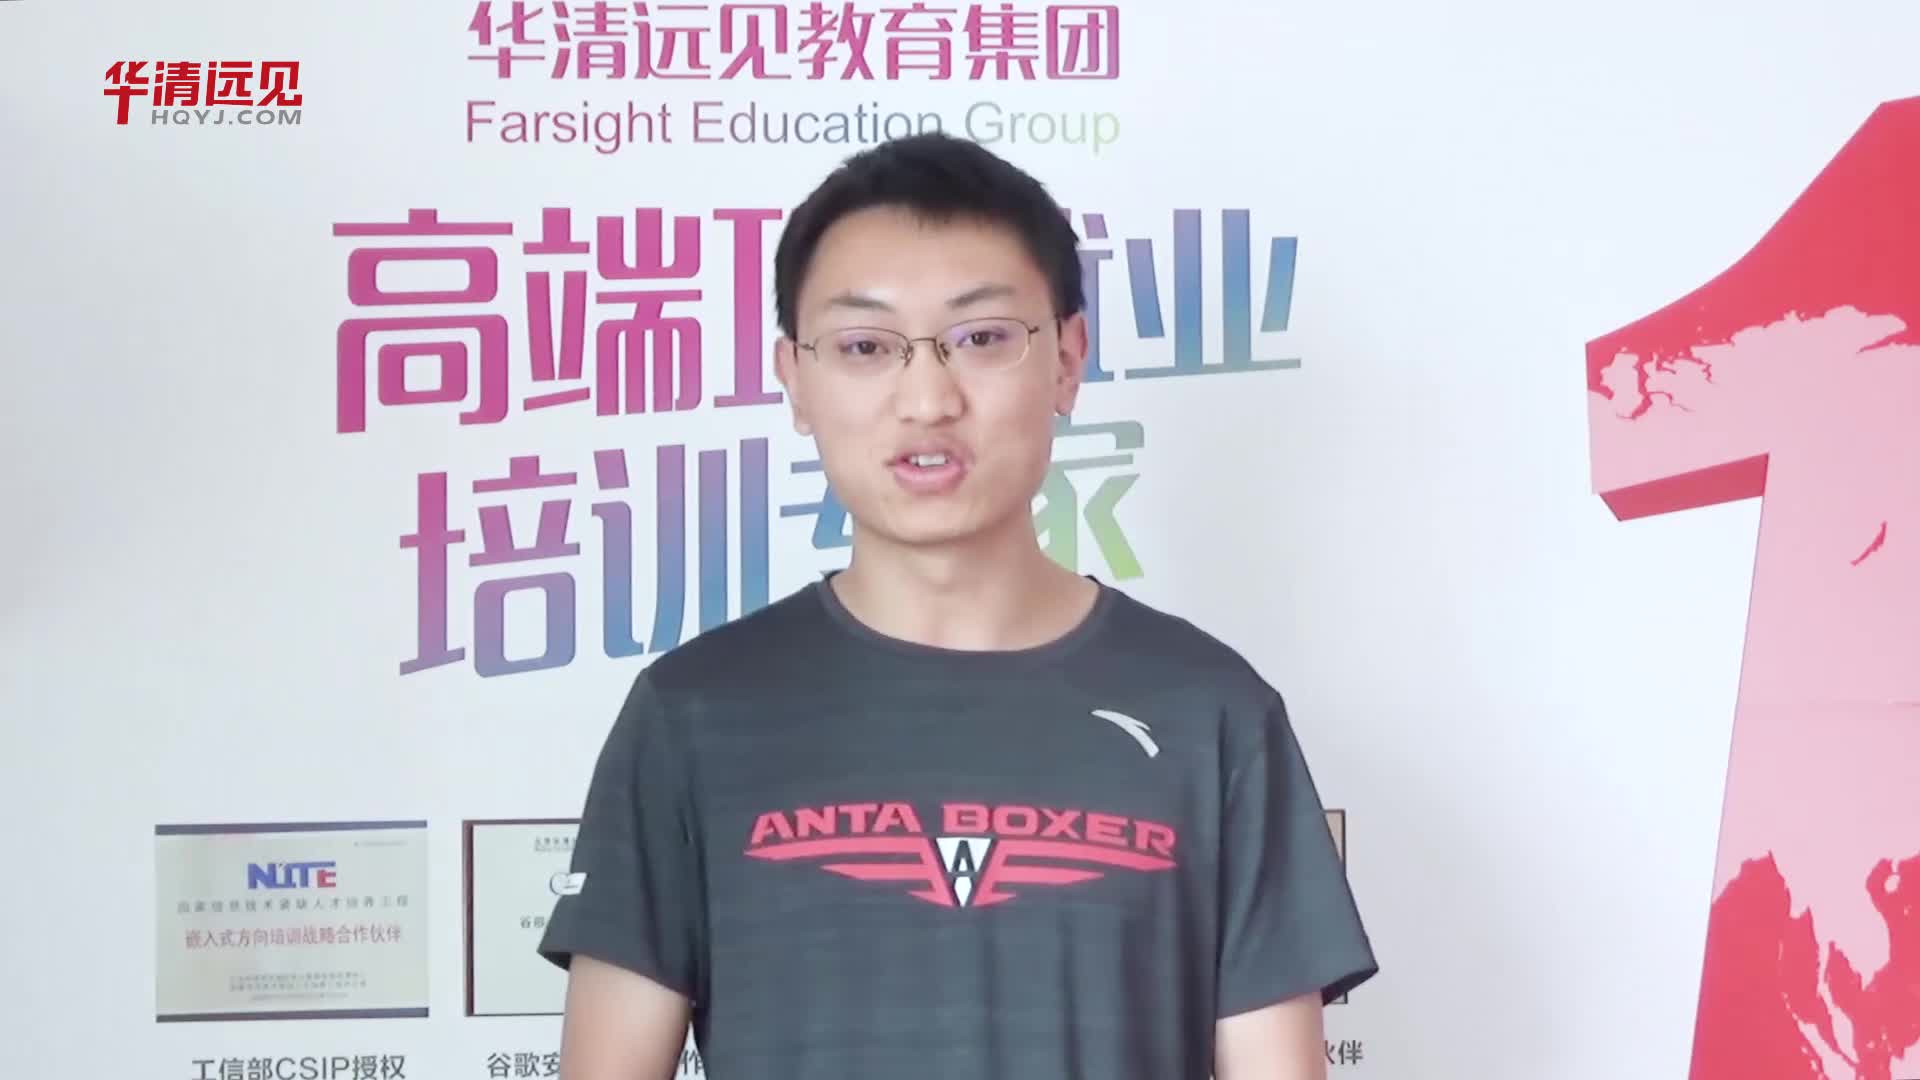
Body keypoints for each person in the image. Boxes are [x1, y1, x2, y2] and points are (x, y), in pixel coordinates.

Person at [537, 131, 1377, 1080]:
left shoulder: (1210, 712)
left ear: (1066, 360)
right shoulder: (692, 714)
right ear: (796, 381)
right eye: (865, 347)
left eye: (981, 338)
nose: (928, 399)